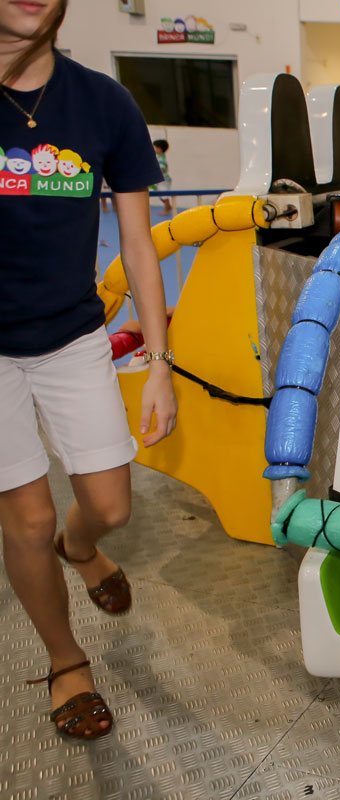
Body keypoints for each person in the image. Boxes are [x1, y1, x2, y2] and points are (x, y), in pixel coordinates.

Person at [0, 0, 176, 740]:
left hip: (72, 336)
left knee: (109, 506)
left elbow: (138, 244)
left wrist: (160, 363)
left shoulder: (103, 103)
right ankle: (66, 660)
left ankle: (80, 548)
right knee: (28, 519)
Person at [152, 138, 171, 215]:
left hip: (163, 180)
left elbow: (162, 169)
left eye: (154, 147)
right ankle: (168, 206)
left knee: (163, 194)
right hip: (161, 180)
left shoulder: (161, 159)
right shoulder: (159, 157)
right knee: (161, 194)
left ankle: (166, 210)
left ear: (159, 149)